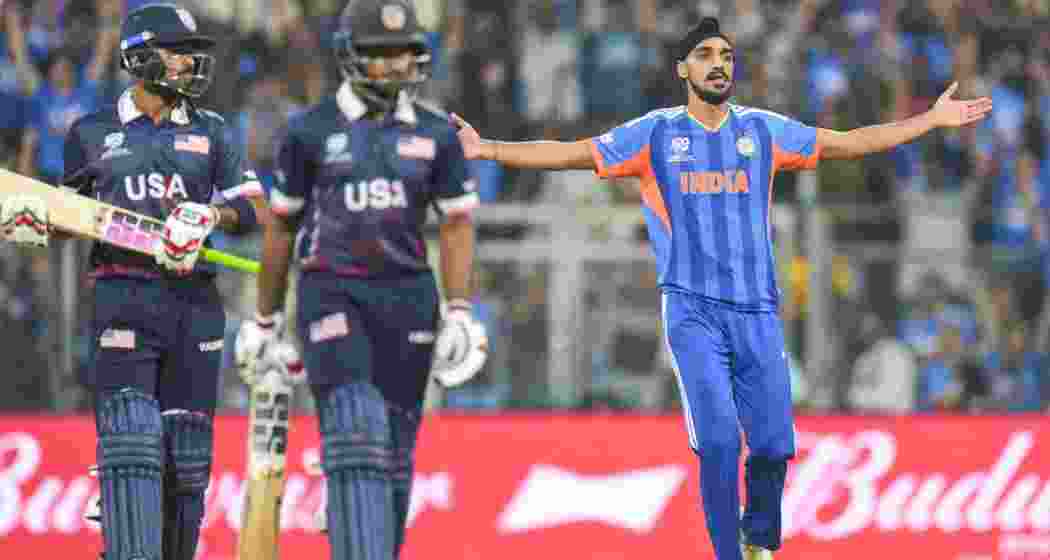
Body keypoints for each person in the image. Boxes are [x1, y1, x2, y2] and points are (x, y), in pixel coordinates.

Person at [451, 16, 991, 560]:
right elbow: (571, 151)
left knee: (775, 448)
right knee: (716, 443)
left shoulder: (761, 130)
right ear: (682, 68)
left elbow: (851, 142)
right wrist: (488, 149)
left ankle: (759, 542)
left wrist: (928, 121)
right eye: (706, 54)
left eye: (727, 56)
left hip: (757, 312)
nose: (718, 64)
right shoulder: (656, 133)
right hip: (692, 311)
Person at [0, 4, 265, 560]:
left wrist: (210, 217)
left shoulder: (213, 130)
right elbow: (65, 220)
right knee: (131, 444)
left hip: (195, 301)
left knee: (188, 461)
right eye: (178, 52)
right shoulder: (92, 132)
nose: (191, 63)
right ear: (141, 56)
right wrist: (27, 224)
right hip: (124, 297)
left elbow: (254, 207)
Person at [234, 1, 487, 559]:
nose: (396, 65)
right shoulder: (309, 130)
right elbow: (281, 228)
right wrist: (264, 320)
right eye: (380, 54)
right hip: (331, 293)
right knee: (356, 435)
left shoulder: (436, 134)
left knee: (394, 459)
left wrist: (461, 310)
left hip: (410, 301)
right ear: (351, 56)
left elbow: (457, 222)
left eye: (404, 53)